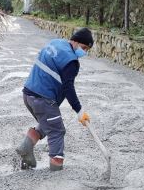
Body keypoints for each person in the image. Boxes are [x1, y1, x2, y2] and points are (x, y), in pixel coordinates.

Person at [16, 28, 93, 171]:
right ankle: (56, 171)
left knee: (49, 122)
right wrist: (79, 110)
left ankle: (26, 147)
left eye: (87, 50)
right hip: (43, 99)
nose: (84, 52)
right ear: (75, 41)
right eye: (84, 48)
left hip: (28, 94)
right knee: (57, 131)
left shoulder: (55, 43)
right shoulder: (70, 61)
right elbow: (68, 88)